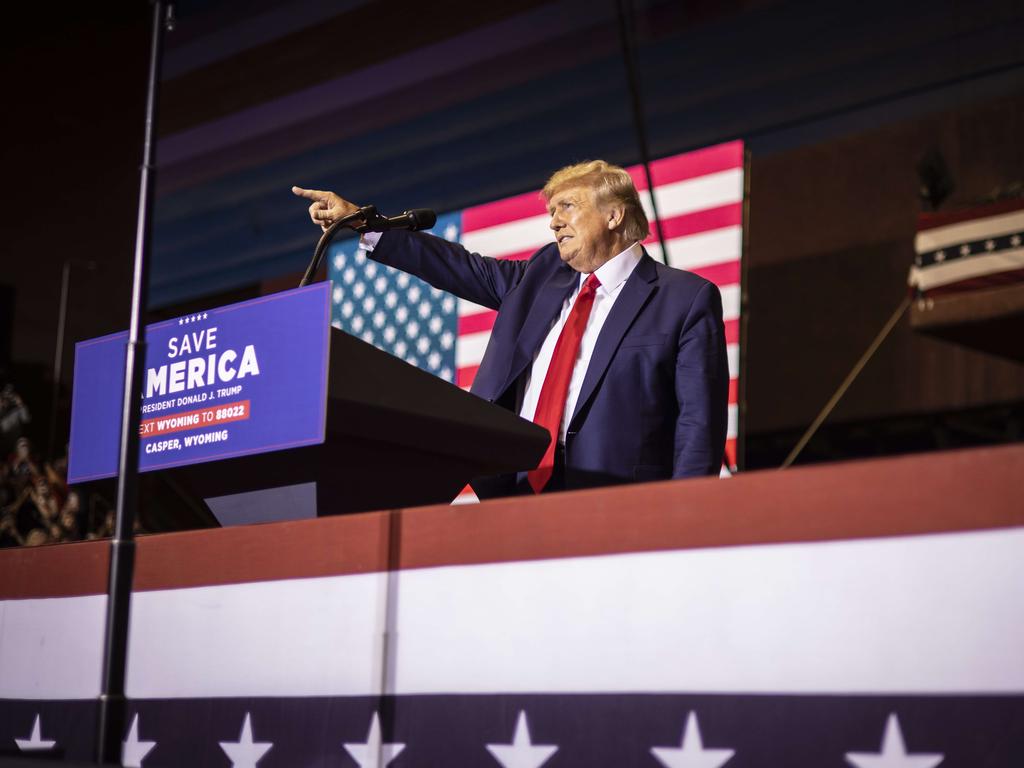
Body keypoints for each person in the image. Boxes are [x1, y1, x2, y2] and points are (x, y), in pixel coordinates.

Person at [293, 160, 728, 496]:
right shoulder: (542, 276)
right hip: (517, 493)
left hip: (619, 500)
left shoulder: (684, 299)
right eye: (551, 211)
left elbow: (698, 424)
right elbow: (461, 268)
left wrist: (685, 510)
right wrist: (365, 224)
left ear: (614, 215)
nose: (553, 221)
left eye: (567, 207)